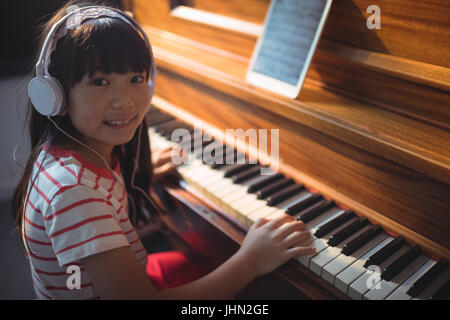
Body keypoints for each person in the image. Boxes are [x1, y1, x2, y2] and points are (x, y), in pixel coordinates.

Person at [12, 0, 316, 300]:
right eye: (100, 81)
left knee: (209, 264)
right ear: (57, 96)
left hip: (133, 275)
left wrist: (135, 173)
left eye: (136, 79)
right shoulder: (73, 191)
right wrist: (249, 261)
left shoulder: (77, 157)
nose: (125, 101)